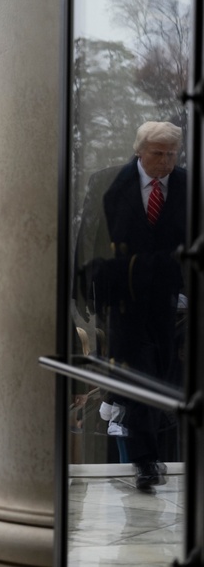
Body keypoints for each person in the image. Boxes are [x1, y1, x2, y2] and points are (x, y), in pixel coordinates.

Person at [78, 120, 186, 492]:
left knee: (162, 372)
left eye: (172, 154)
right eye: (158, 154)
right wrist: (83, 290)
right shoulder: (109, 181)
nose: (166, 162)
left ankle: (119, 398)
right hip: (122, 297)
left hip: (170, 300)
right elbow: (89, 235)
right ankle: (145, 461)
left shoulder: (187, 186)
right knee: (142, 373)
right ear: (139, 151)